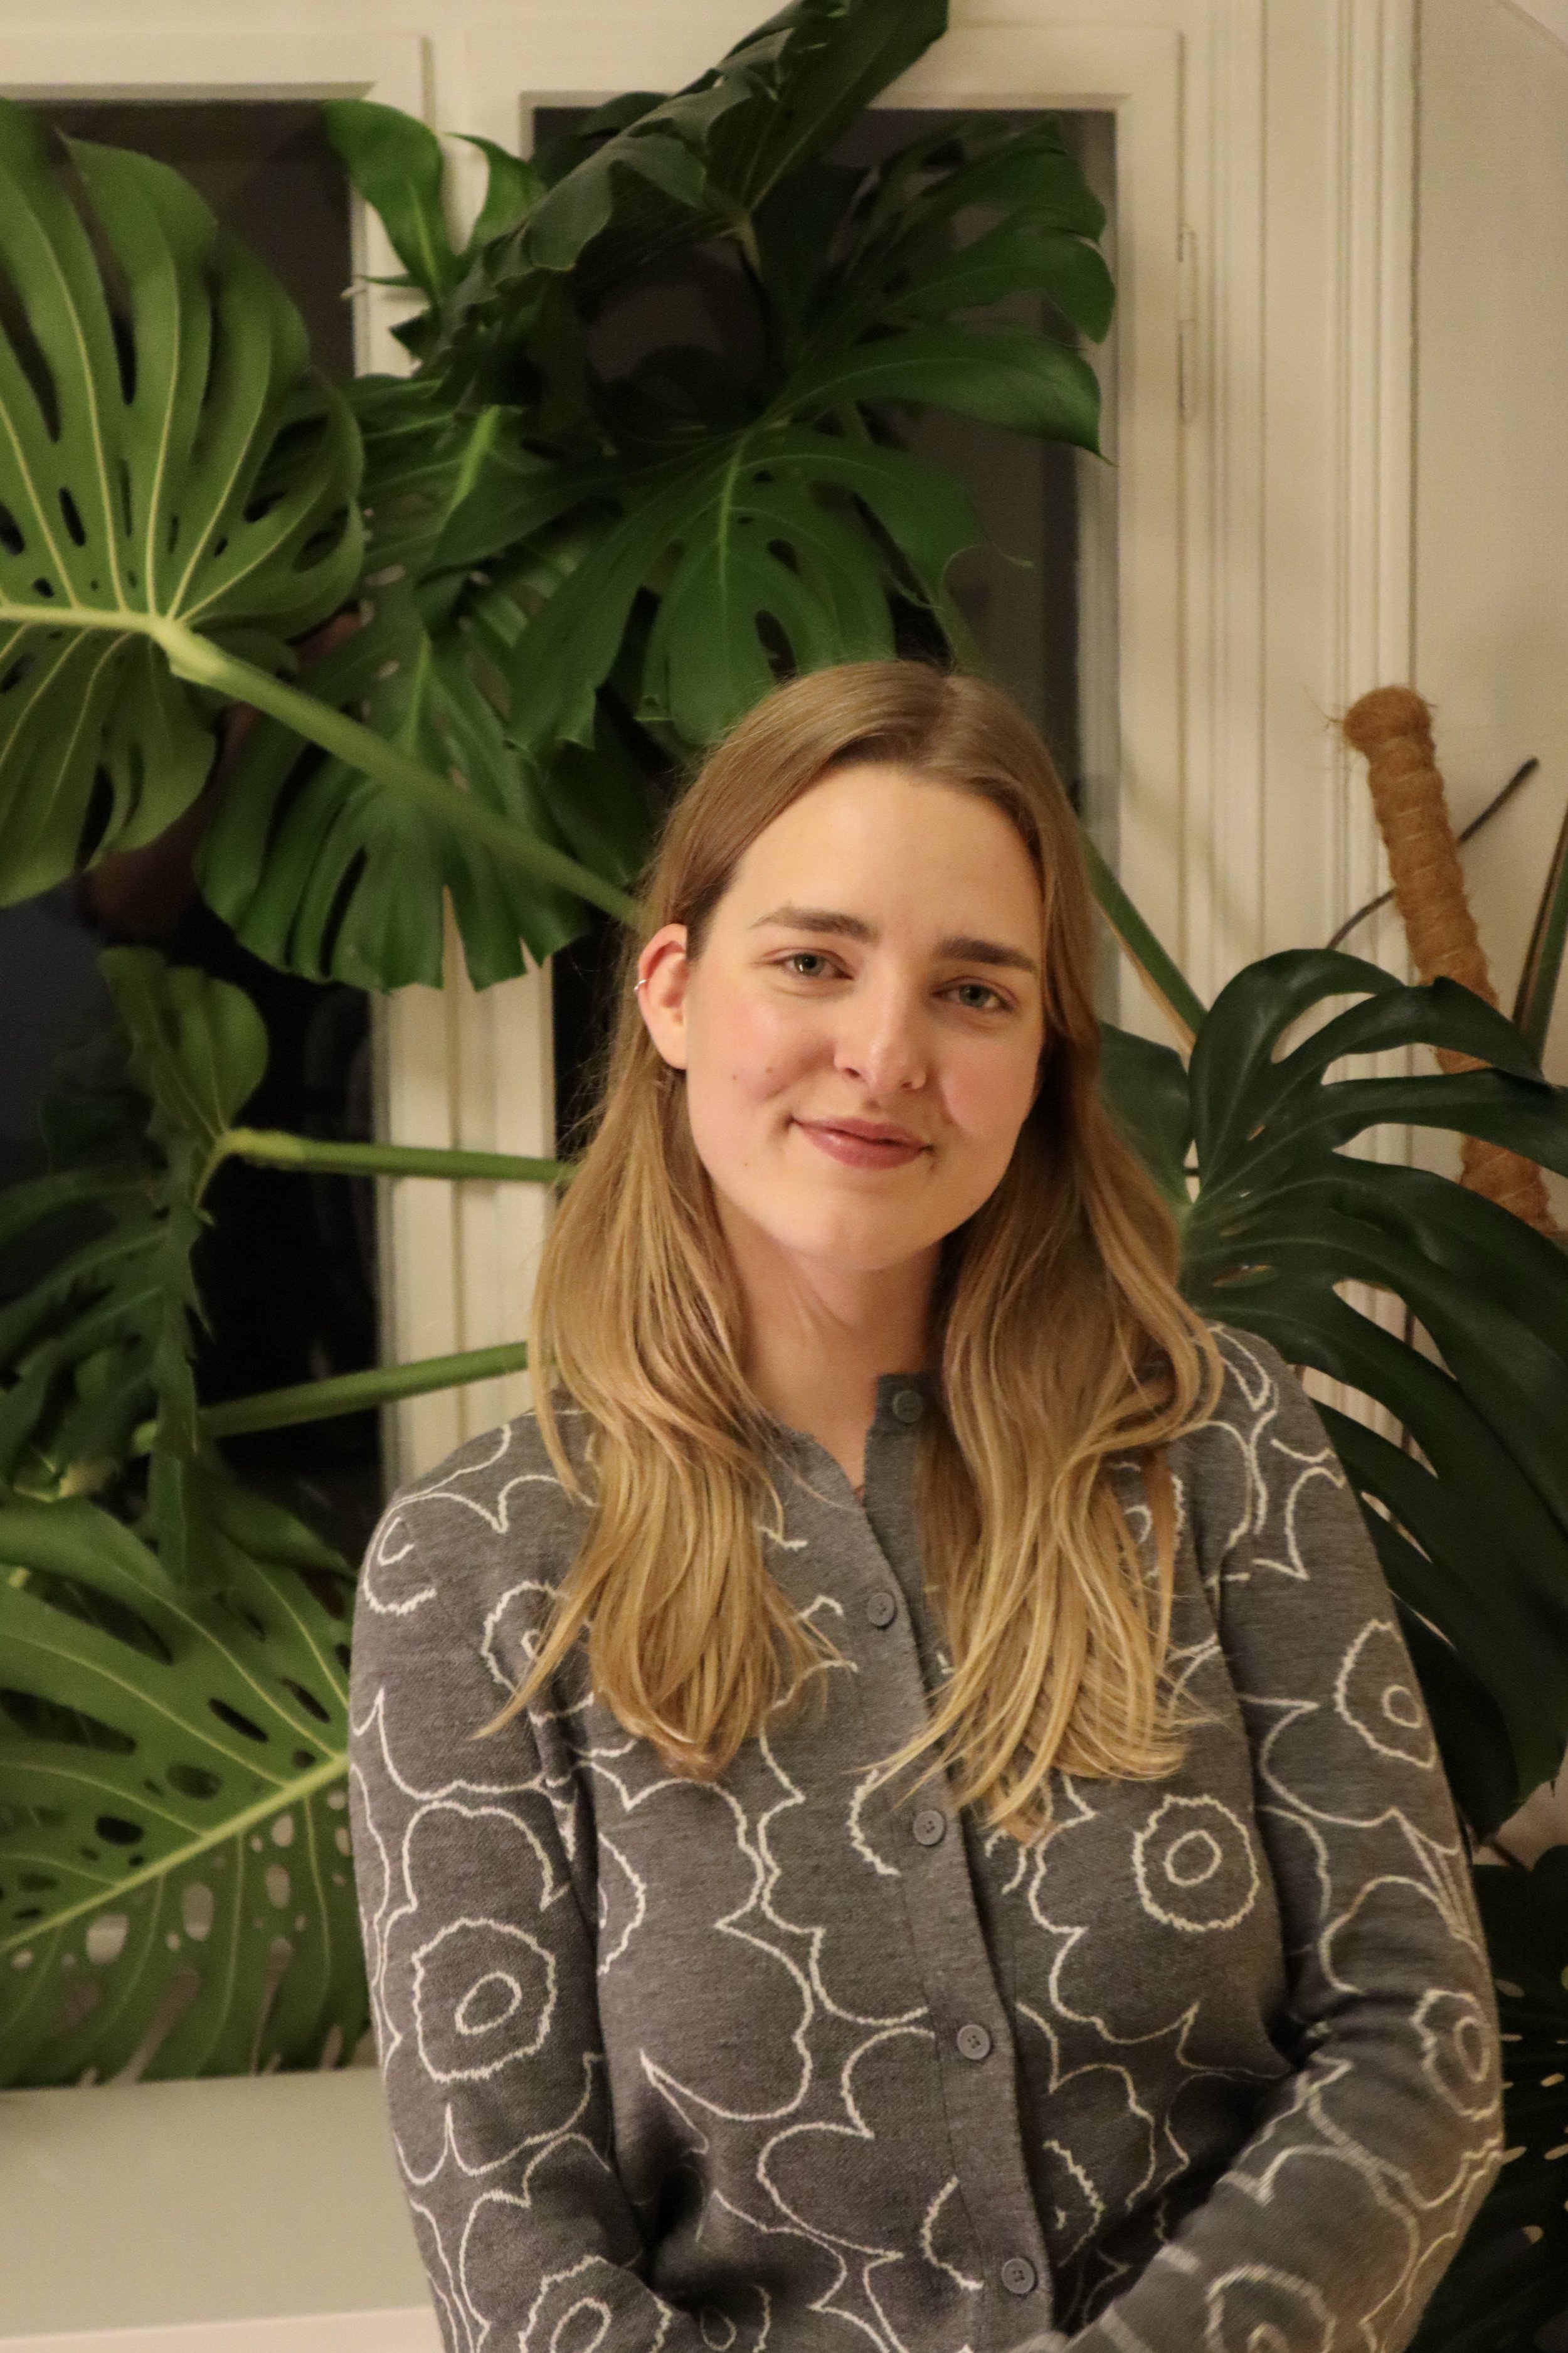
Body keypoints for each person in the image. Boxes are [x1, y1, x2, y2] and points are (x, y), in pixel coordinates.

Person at [347, 661, 1503, 2353]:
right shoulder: (473, 1567)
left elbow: (1419, 2044)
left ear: (1041, 1054)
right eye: (812, 961)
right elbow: (506, 2243)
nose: (883, 1055)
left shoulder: (1213, 1442)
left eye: (973, 993)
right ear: (670, 991)